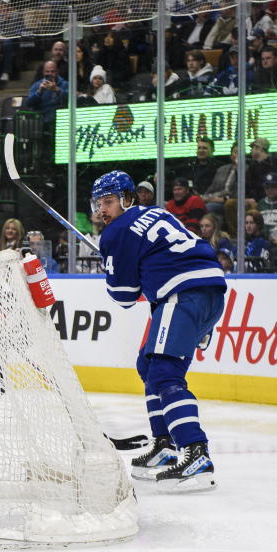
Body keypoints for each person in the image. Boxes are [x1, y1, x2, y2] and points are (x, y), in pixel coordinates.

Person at [92, 170, 225, 492]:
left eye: (109, 202)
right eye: (98, 204)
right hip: (209, 290)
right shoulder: (156, 213)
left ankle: (196, 453)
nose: (102, 210)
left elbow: (124, 296)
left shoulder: (115, 232)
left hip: (183, 295)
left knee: (165, 375)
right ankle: (164, 446)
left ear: (126, 199)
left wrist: (110, 268)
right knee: (149, 365)